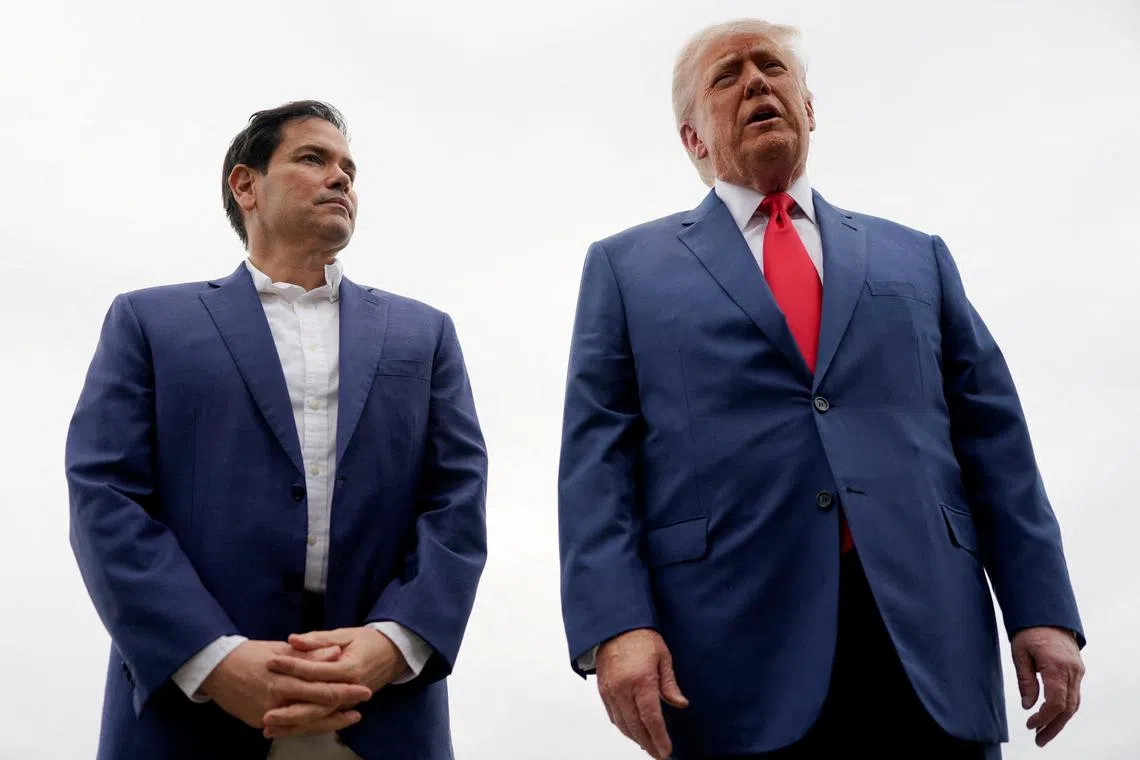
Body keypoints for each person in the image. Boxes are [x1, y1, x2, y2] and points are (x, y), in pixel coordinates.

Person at [557, 19, 1085, 760]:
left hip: (927, 641)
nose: (755, 82)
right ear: (693, 140)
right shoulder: (624, 268)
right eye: (727, 75)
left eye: (771, 66)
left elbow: (995, 442)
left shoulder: (917, 257)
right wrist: (615, 625)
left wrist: (1043, 611)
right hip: (730, 651)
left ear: (810, 108)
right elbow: (596, 465)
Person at [66, 100, 488, 760]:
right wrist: (212, 659)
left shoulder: (425, 334)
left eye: (349, 167)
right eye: (313, 159)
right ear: (246, 185)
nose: (342, 177)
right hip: (190, 714)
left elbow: (456, 504)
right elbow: (105, 499)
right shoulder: (149, 323)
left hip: (383, 712)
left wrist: (395, 641)